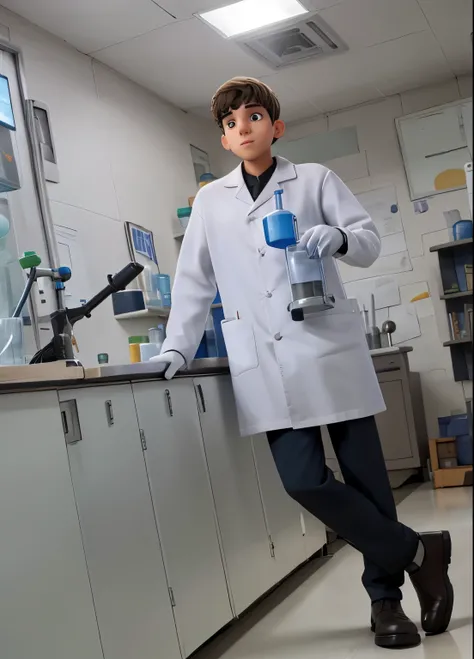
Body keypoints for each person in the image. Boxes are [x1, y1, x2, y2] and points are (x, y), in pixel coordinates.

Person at [151, 77, 454, 649]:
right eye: (230, 122)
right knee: (302, 480)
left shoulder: (314, 178)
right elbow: (194, 281)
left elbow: (369, 242)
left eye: (254, 116)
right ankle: (420, 550)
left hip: (328, 349)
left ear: (276, 126)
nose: (244, 127)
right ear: (222, 137)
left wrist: (337, 236)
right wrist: (176, 346)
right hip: (263, 358)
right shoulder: (211, 202)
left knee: (368, 481)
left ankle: (385, 603)